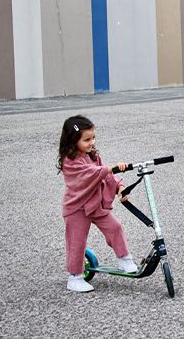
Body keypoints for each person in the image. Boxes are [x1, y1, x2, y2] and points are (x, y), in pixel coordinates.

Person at [58, 115, 138, 292]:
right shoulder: (69, 161)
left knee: (115, 227)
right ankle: (75, 278)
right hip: (77, 209)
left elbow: (107, 176)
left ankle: (125, 259)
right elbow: (92, 173)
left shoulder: (93, 157)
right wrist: (113, 167)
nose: (91, 143)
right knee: (77, 242)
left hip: (95, 206)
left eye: (93, 138)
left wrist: (120, 186)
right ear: (73, 140)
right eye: (86, 139)